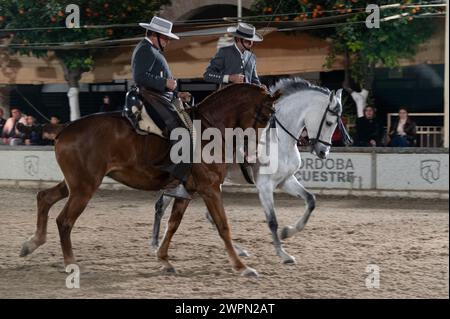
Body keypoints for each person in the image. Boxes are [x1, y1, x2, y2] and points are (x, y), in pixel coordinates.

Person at [132, 16, 192, 200]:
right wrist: (165, 82)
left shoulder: (152, 49)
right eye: (165, 37)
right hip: (151, 98)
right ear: (155, 35)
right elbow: (140, 77)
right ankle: (173, 181)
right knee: (182, 131)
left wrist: (176, 94)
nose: (167, 41)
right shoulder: (145, 49)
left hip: (160, 97)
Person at [204, 22, 263, 88]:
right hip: (228, 96)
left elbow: (254, 80)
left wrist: (261, 87)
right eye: (247, 41)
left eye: (252, 41)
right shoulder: (224, 52)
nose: (250, 44)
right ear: (238, 39)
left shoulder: (252, 56)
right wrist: (229, 78)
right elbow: (208, 75)